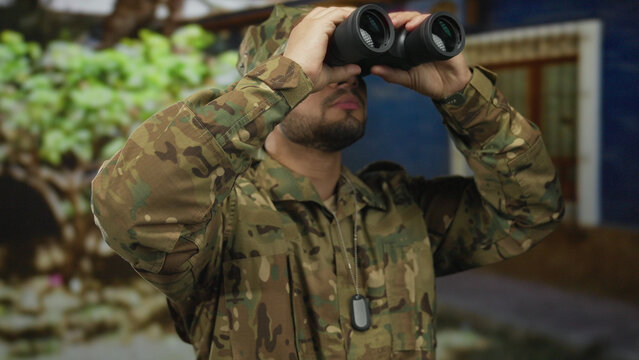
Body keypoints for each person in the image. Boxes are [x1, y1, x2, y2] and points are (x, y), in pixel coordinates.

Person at [91, 4, 564, 359]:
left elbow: (529, 211)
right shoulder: (219, 220)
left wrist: (465, 98)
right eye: (325, 65)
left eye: (351, 65)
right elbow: (130, 209)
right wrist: (284, 80)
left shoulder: (399, 209)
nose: (346, 79)